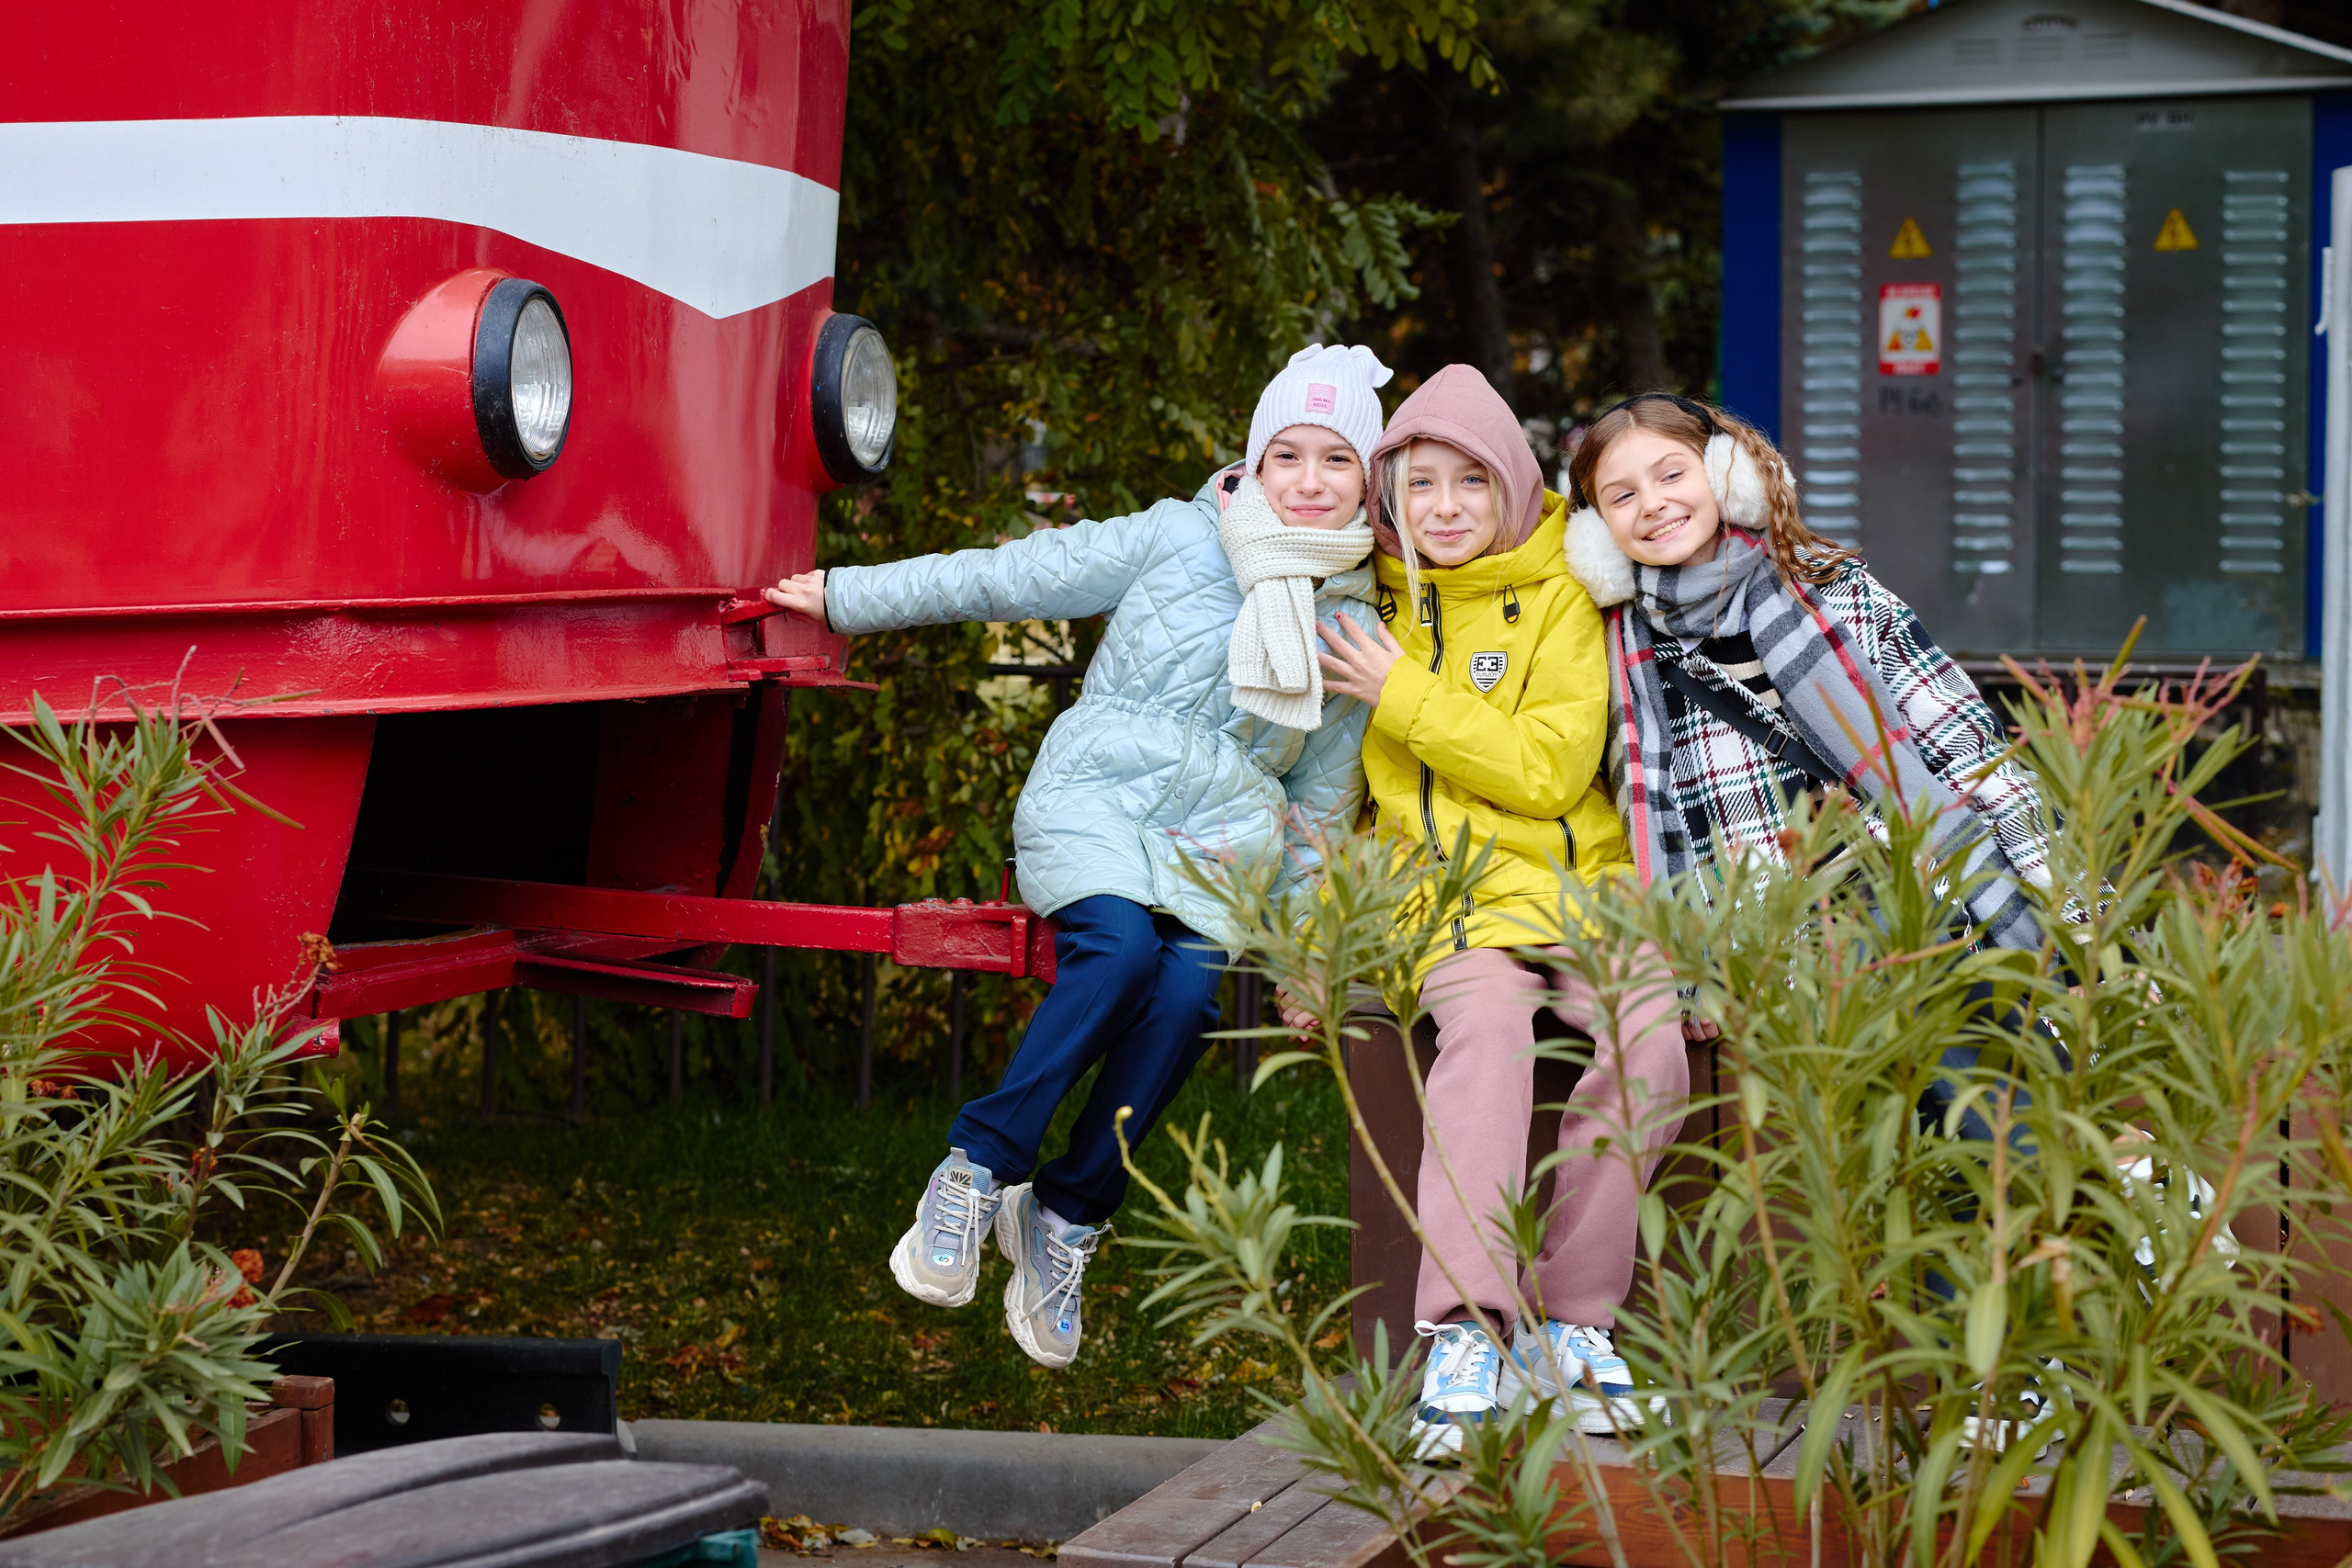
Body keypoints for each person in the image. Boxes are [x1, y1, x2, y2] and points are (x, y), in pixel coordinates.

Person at [763, 344, 1393, 1370]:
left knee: (1184, 1001)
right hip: (1099, 794)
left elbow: (1319, 806)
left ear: (1367, 481)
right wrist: (845, 597)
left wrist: (1305, 956)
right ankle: (976, 1167)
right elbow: (1012, 575)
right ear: (1253, 460)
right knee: (1118, 953)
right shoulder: (1180, 534)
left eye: (1337, 461)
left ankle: (1063, 1214)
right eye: (1288, 455)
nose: (1309, 481)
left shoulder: (1354, 624)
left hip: (1218, 843)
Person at [1305, 366, 1689, 1453]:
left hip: (1579, 890)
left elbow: (1550, 767)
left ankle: (1571, 1325)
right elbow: (1251, 513)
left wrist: (1403, 694)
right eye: (1419, 483)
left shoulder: (1563, 587)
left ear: (1513, 484)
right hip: (1445, 901)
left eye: (1469, 480)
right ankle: (1467, 1330)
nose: (1443, 507)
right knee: (1484, 1038)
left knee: (1650, 1042)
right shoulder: (1366, 598)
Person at [1557, 391, 2052, 959]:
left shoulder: (1836, 592)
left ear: (1727, 474)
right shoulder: (1613, 655)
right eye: (1622, 496)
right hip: (1765, 956)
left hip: (1921, 906)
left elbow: (1967, 749)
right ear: (1596, 535)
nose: (1652, 503)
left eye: (1672, 474)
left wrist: (2073, 906)